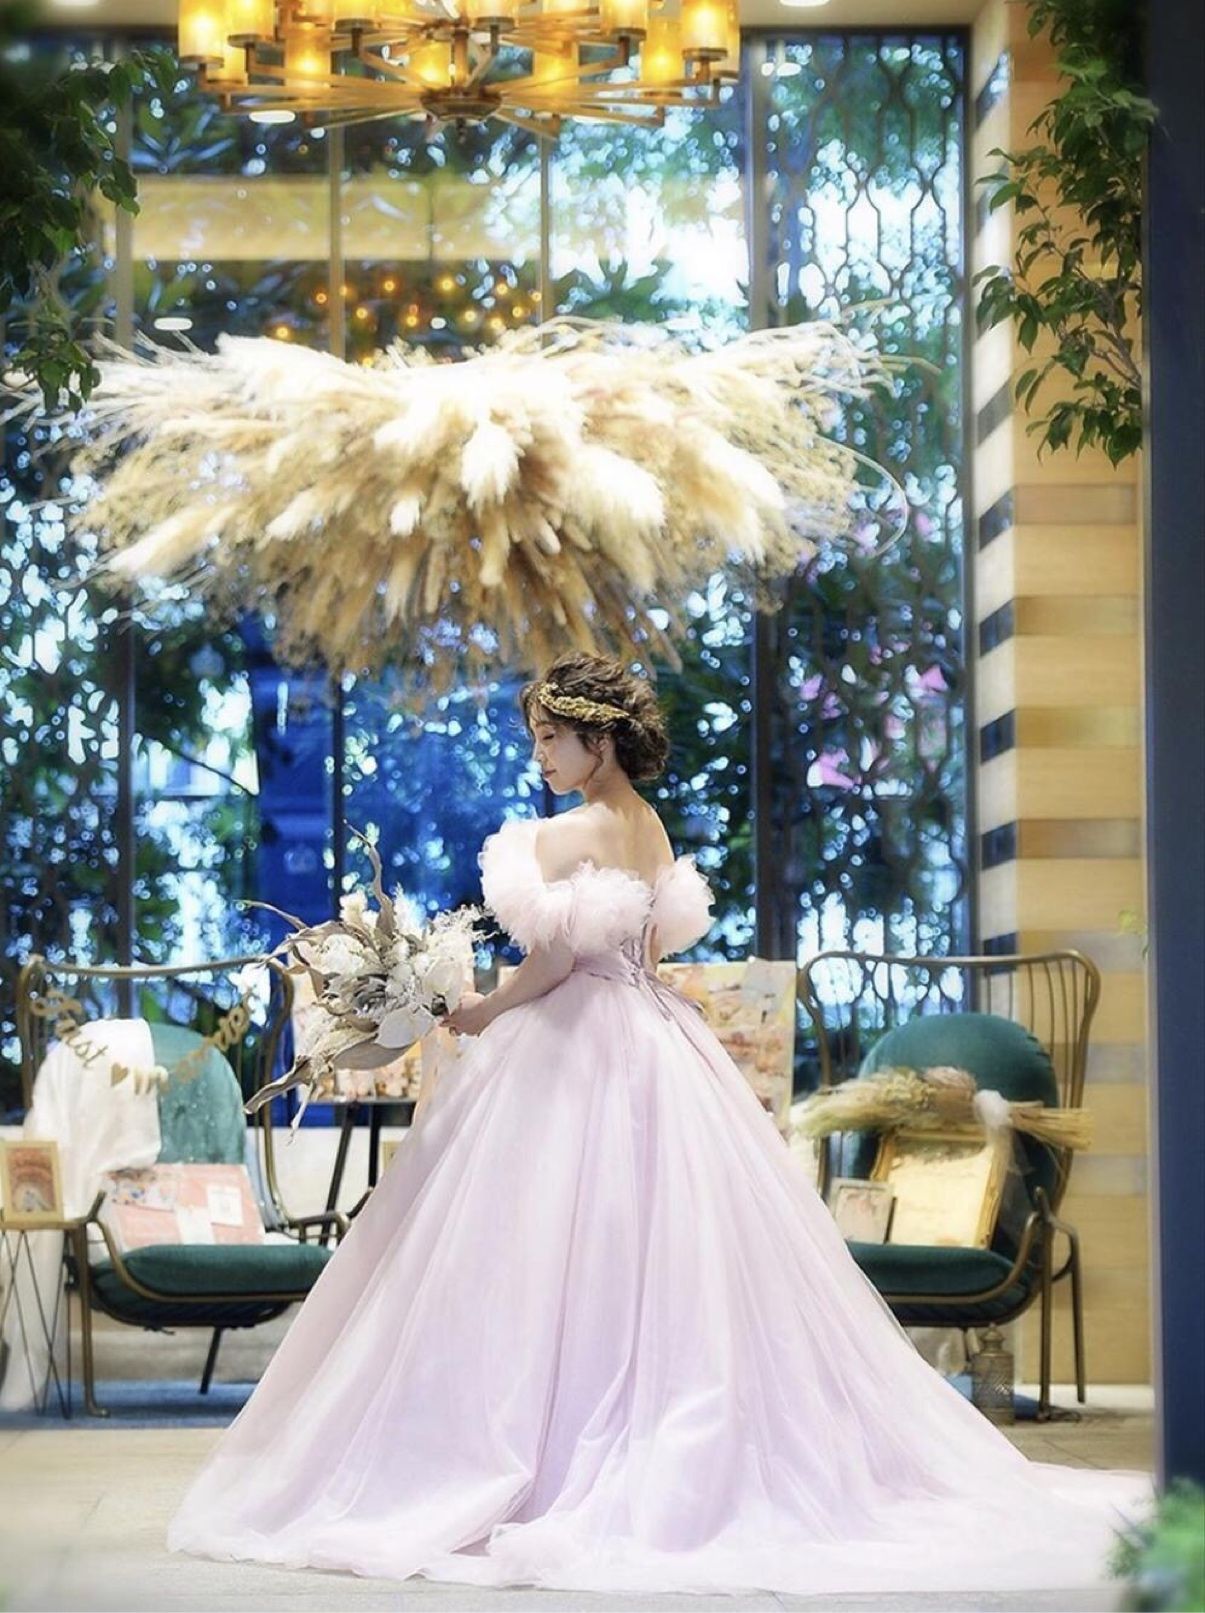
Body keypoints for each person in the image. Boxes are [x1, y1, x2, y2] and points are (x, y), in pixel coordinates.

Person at [168, 652, 1149, 1596]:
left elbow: (552, 963)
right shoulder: (648, 824)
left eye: (550, 738)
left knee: (534, 1244)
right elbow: (638, 950)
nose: (539, 756)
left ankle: (524, 1439)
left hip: (574, 1040)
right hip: (654, 1035)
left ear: (596, 741)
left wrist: (476, 1009)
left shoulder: (563, 835)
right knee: (659, 1246)